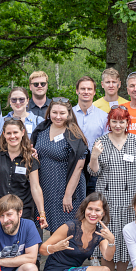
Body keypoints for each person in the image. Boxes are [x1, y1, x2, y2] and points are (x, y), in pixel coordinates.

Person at [88, 106, 136, 271]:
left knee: (125, 240)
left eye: (121, 121)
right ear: (109, 123)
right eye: (114, 121)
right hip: (107, 200)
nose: (117, 125)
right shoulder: (101, 142)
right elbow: (93, 172)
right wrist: (94, 157)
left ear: (127, 122)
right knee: (108, 239)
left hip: (130, 200)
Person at [0, 118, 47, 230]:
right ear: (4, 134)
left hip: (22, 210)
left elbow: (35, 187)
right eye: (9, 133)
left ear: (23, 132)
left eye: (15, 132)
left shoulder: (30, 158)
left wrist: (41, 213)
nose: (12, 136)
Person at [32, 98, 88, 231]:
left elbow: (79, 167)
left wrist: (68, 195)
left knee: (66, 229)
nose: (58, 117)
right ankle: (51, 252)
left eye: (62, 113)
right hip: (46, 187)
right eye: (54, 112)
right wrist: (33, 154)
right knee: (51, 227)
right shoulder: (41, 130)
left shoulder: (74, 135)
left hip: (66, 188)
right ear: (49, 112)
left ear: (69, 114)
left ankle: (64, 252)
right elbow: (33, 150)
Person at [72, 76, 108, 195]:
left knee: (93, 200)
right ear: (77, 91)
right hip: (71, 165)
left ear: (94, 92)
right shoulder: (68, 115)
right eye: (83, 89)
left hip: (94, 167)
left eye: (89, 89)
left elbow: (106, 143)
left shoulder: (104, 117)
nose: (86, 92)